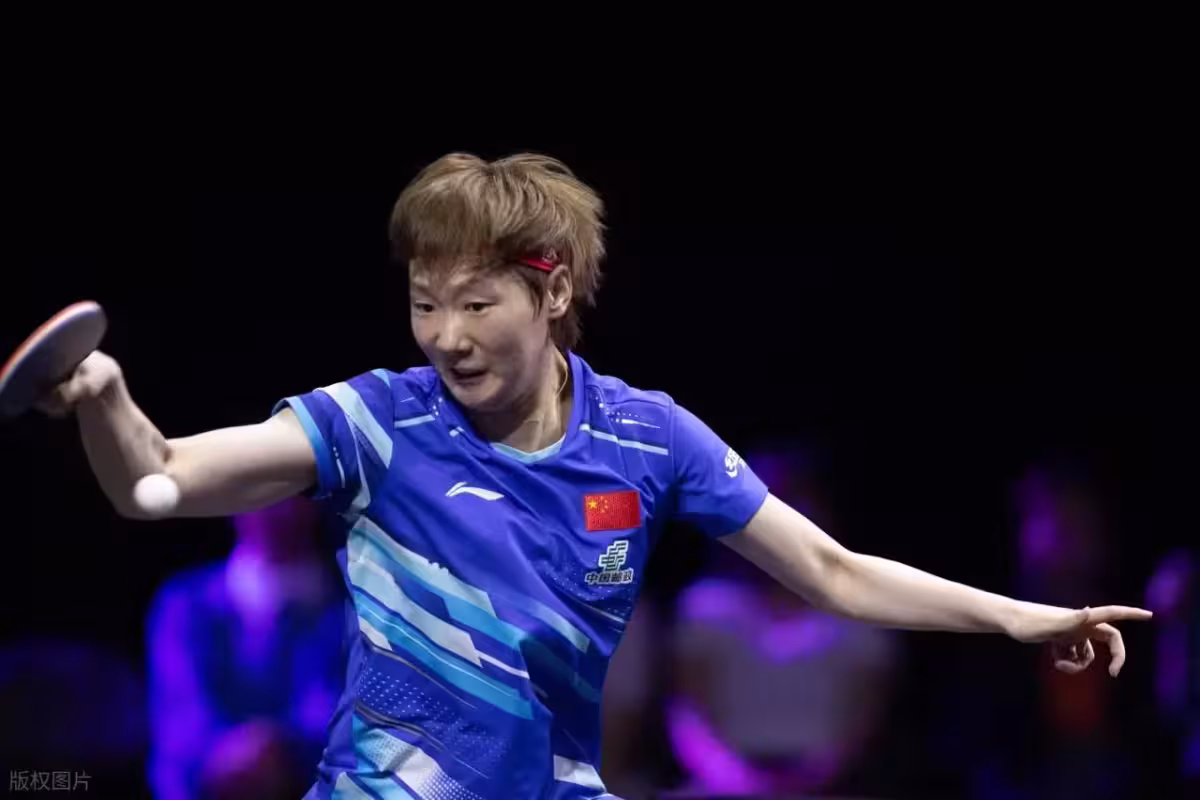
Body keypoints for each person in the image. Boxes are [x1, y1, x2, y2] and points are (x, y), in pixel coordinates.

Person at [39, 152, 1152, 799]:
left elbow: (831, 569)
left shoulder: (648, 438)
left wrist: (1020, 617)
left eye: (477, 303)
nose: (445, 335)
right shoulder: (377, 419)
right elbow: (158, 482)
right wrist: (105, 397)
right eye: (425, 303)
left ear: (555, 290)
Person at [665, 446, 899, 797]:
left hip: (827, 786)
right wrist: (739, 779)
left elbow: (865, 722)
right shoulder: (707, 607)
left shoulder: (861, 614)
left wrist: (808, 779)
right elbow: (688, 712)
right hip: (725, 783)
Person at [145, 495, 345, 800]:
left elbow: (348, 727)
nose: (274, 508)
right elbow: (181, 724)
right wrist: (229, 755)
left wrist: (281, 750)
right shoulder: (186, 604)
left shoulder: (355, 613)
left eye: (289, 491)